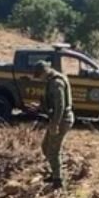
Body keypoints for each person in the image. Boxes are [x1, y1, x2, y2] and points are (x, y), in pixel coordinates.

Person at [34, 60, 74, 189]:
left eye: (39, 75)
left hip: (62, 120)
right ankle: (55, 172)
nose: (39, 78)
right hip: (57, 119)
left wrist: (55, 124)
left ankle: (58, 180)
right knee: (46, 147)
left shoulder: (57, 83)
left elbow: (60, 106)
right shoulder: (51, 80)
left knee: (53, 150)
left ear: (45, 72)